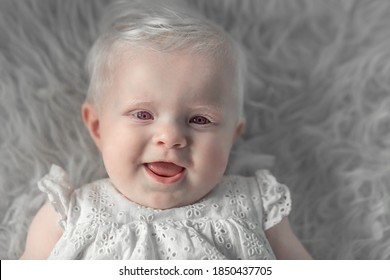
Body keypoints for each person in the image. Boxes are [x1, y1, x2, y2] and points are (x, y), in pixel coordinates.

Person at [20, 0, 311, 260]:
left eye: (200, 120)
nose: (170, 138)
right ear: (98, 127)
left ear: (232, 136)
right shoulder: (71, 214)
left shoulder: (255, 205)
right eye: (143, 114)